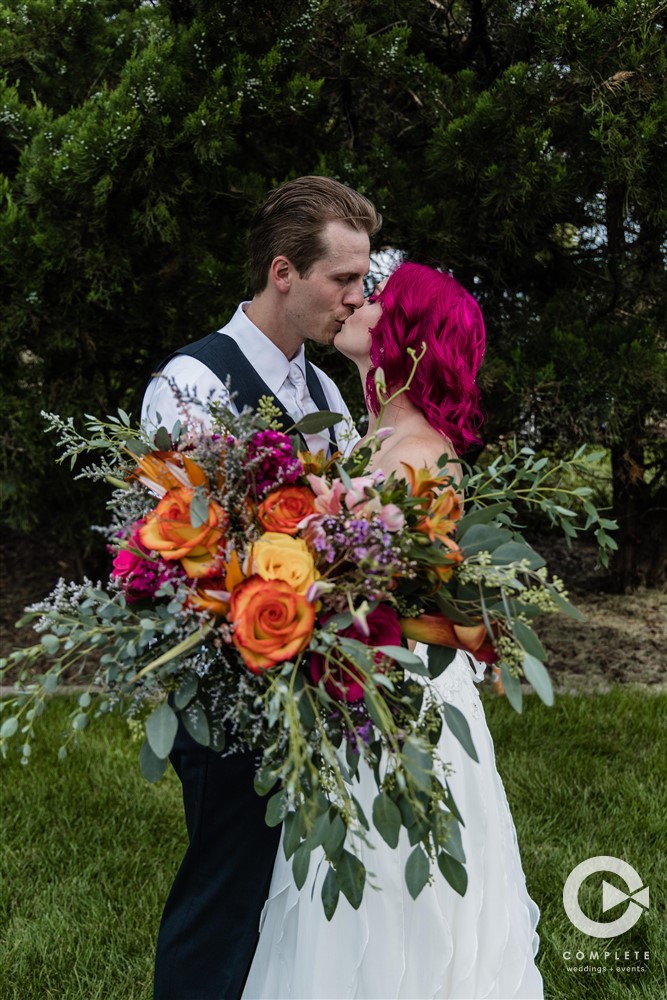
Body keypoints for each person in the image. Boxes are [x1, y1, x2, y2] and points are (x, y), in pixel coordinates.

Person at [243, 262, 544, 1000]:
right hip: (359, 692)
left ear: (407, 337)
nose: (357, 302)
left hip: (398, 702)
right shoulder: (371, 439)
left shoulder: (419, 455)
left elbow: (379, 593)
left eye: (377, 299)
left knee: (393, 877)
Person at [142, 176, 382, 1000]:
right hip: (224, 691)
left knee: (289, 906)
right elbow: (187, 548)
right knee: (224, 898)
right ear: (284, 273)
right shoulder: (191, 384)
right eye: (342, 279)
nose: (357, 298)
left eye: (363, 280)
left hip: (308, 685)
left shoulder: (321, 395)